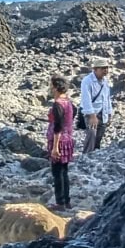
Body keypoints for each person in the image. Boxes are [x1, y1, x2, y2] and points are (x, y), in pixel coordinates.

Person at [46, 76, 76, 211]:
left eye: (51, 86)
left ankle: (60, 202)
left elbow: (58, 126)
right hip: (68, 138)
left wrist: (55, 147)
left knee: (57, 172)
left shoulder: (58, 103)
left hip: (59, 141)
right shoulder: (69, 102)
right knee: (64, 171)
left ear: (55, 87)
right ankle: (67, 200)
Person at [80, 57, 113, 154]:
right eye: (102, 68)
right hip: (92, 113)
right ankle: (86, 156)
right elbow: (86, 99)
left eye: (106, 68)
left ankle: (95, 156)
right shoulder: (87, 81)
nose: (105, 71)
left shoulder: (105, 81)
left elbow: (107, 98)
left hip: (103, 112)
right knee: (91, 135)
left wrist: (109, 113)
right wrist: (92, 115)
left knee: (99, 137)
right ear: (95, 69)